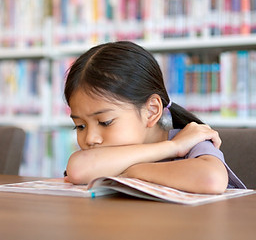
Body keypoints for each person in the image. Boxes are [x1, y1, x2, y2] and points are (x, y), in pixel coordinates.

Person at [63, 41, 246, 193]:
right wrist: (172, 147)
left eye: (105, 122)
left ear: (151, 110)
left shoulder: (191, 141)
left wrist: (135, 171)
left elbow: (211, 179)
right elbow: (78, 169)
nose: (90, 138)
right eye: (80, 126)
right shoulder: (177, 144)